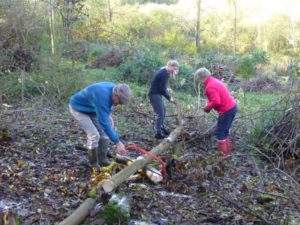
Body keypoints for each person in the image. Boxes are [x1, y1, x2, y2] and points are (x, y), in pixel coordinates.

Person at [69, 82, 132, 167]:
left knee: (104, 133)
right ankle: (93, 163)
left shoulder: (113, 89)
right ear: (116, 95)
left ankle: (102, 159)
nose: (118, 104)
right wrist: (118, 142)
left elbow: (107, 105)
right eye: (120, 102)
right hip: (78, 109)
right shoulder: (102, 96)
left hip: (92, 109)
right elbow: (104, 123)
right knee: (94, 135)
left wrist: (108, 115)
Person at [194, 68, 237, 159]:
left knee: (220, 133)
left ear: (202, 78)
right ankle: (228, 154)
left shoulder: (209, 86)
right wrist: (209, 104)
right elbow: (215, 99)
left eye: (199, 79)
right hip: (232, 107)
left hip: (226, 110)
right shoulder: (214, 81)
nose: (200, 82)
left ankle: (223, 158)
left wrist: (207, 108)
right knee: (225, 131)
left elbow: (216, 101)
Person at [148, 60, 179, 139]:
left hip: (156, 93)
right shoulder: (164, 73)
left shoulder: (163, 71)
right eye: (174, 69)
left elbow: (160, 85)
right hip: (154, 94)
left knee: (163, 111)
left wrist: (166, 88)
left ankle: (162, 127)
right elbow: (161, 89)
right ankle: (158, 133)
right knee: (160, 113)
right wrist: (169, 98)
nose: (174, 71)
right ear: (170, 66)